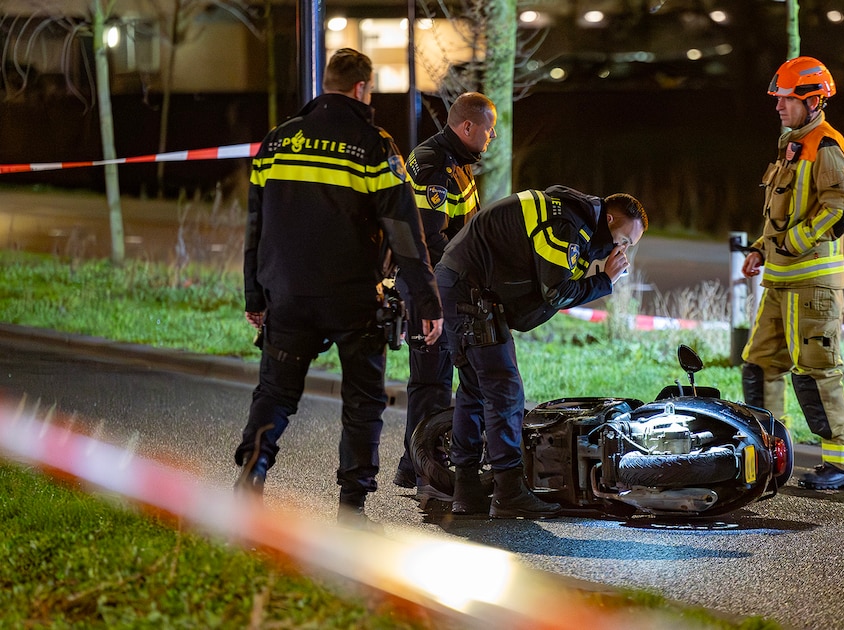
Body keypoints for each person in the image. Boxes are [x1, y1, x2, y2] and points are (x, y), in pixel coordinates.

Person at [234, 48, 443, 529]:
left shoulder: (277, 141)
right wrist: (426, 301)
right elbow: (404, 231)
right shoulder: (373, 145)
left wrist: (255, 297)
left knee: (275, 393)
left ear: (326, 84)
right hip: (352, 299)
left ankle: (251, 476)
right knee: (362, 400)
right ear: (362, 88)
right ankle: (351, 508)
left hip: (286, 295)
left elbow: (254, 227)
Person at [438, 185, 647, 517]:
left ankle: (467, 491)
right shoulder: (569, 224)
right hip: (470, 287)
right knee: (504, 389)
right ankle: (507, 492)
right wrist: (605, 279)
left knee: (476, 388)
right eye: (623, 240)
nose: (621, 249)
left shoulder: (572, 218)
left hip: (466, 282)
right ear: (608, 219)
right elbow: (558, 292)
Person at [741, 56, 844, 490]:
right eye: (778, 97)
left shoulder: (826, 145)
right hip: (780, 281)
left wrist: (795, 243)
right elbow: (780, 210)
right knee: (760, 365)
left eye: (787, 98)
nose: (778, 105)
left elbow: (842, 209)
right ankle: (769, 452)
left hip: (812, 286)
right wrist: (762, 248)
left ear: (813, 101)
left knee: (815, 371)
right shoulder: (791, 143)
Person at [391, 92, 497, 497]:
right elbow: (430, 239)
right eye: (487, 130)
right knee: (431, 383)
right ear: (466, 126)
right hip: (430, 287)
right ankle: (426, 474)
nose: (490, 139)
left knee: (431, 380)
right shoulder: (437, 164)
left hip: (433, 285)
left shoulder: (452, 160)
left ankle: (411, 465)